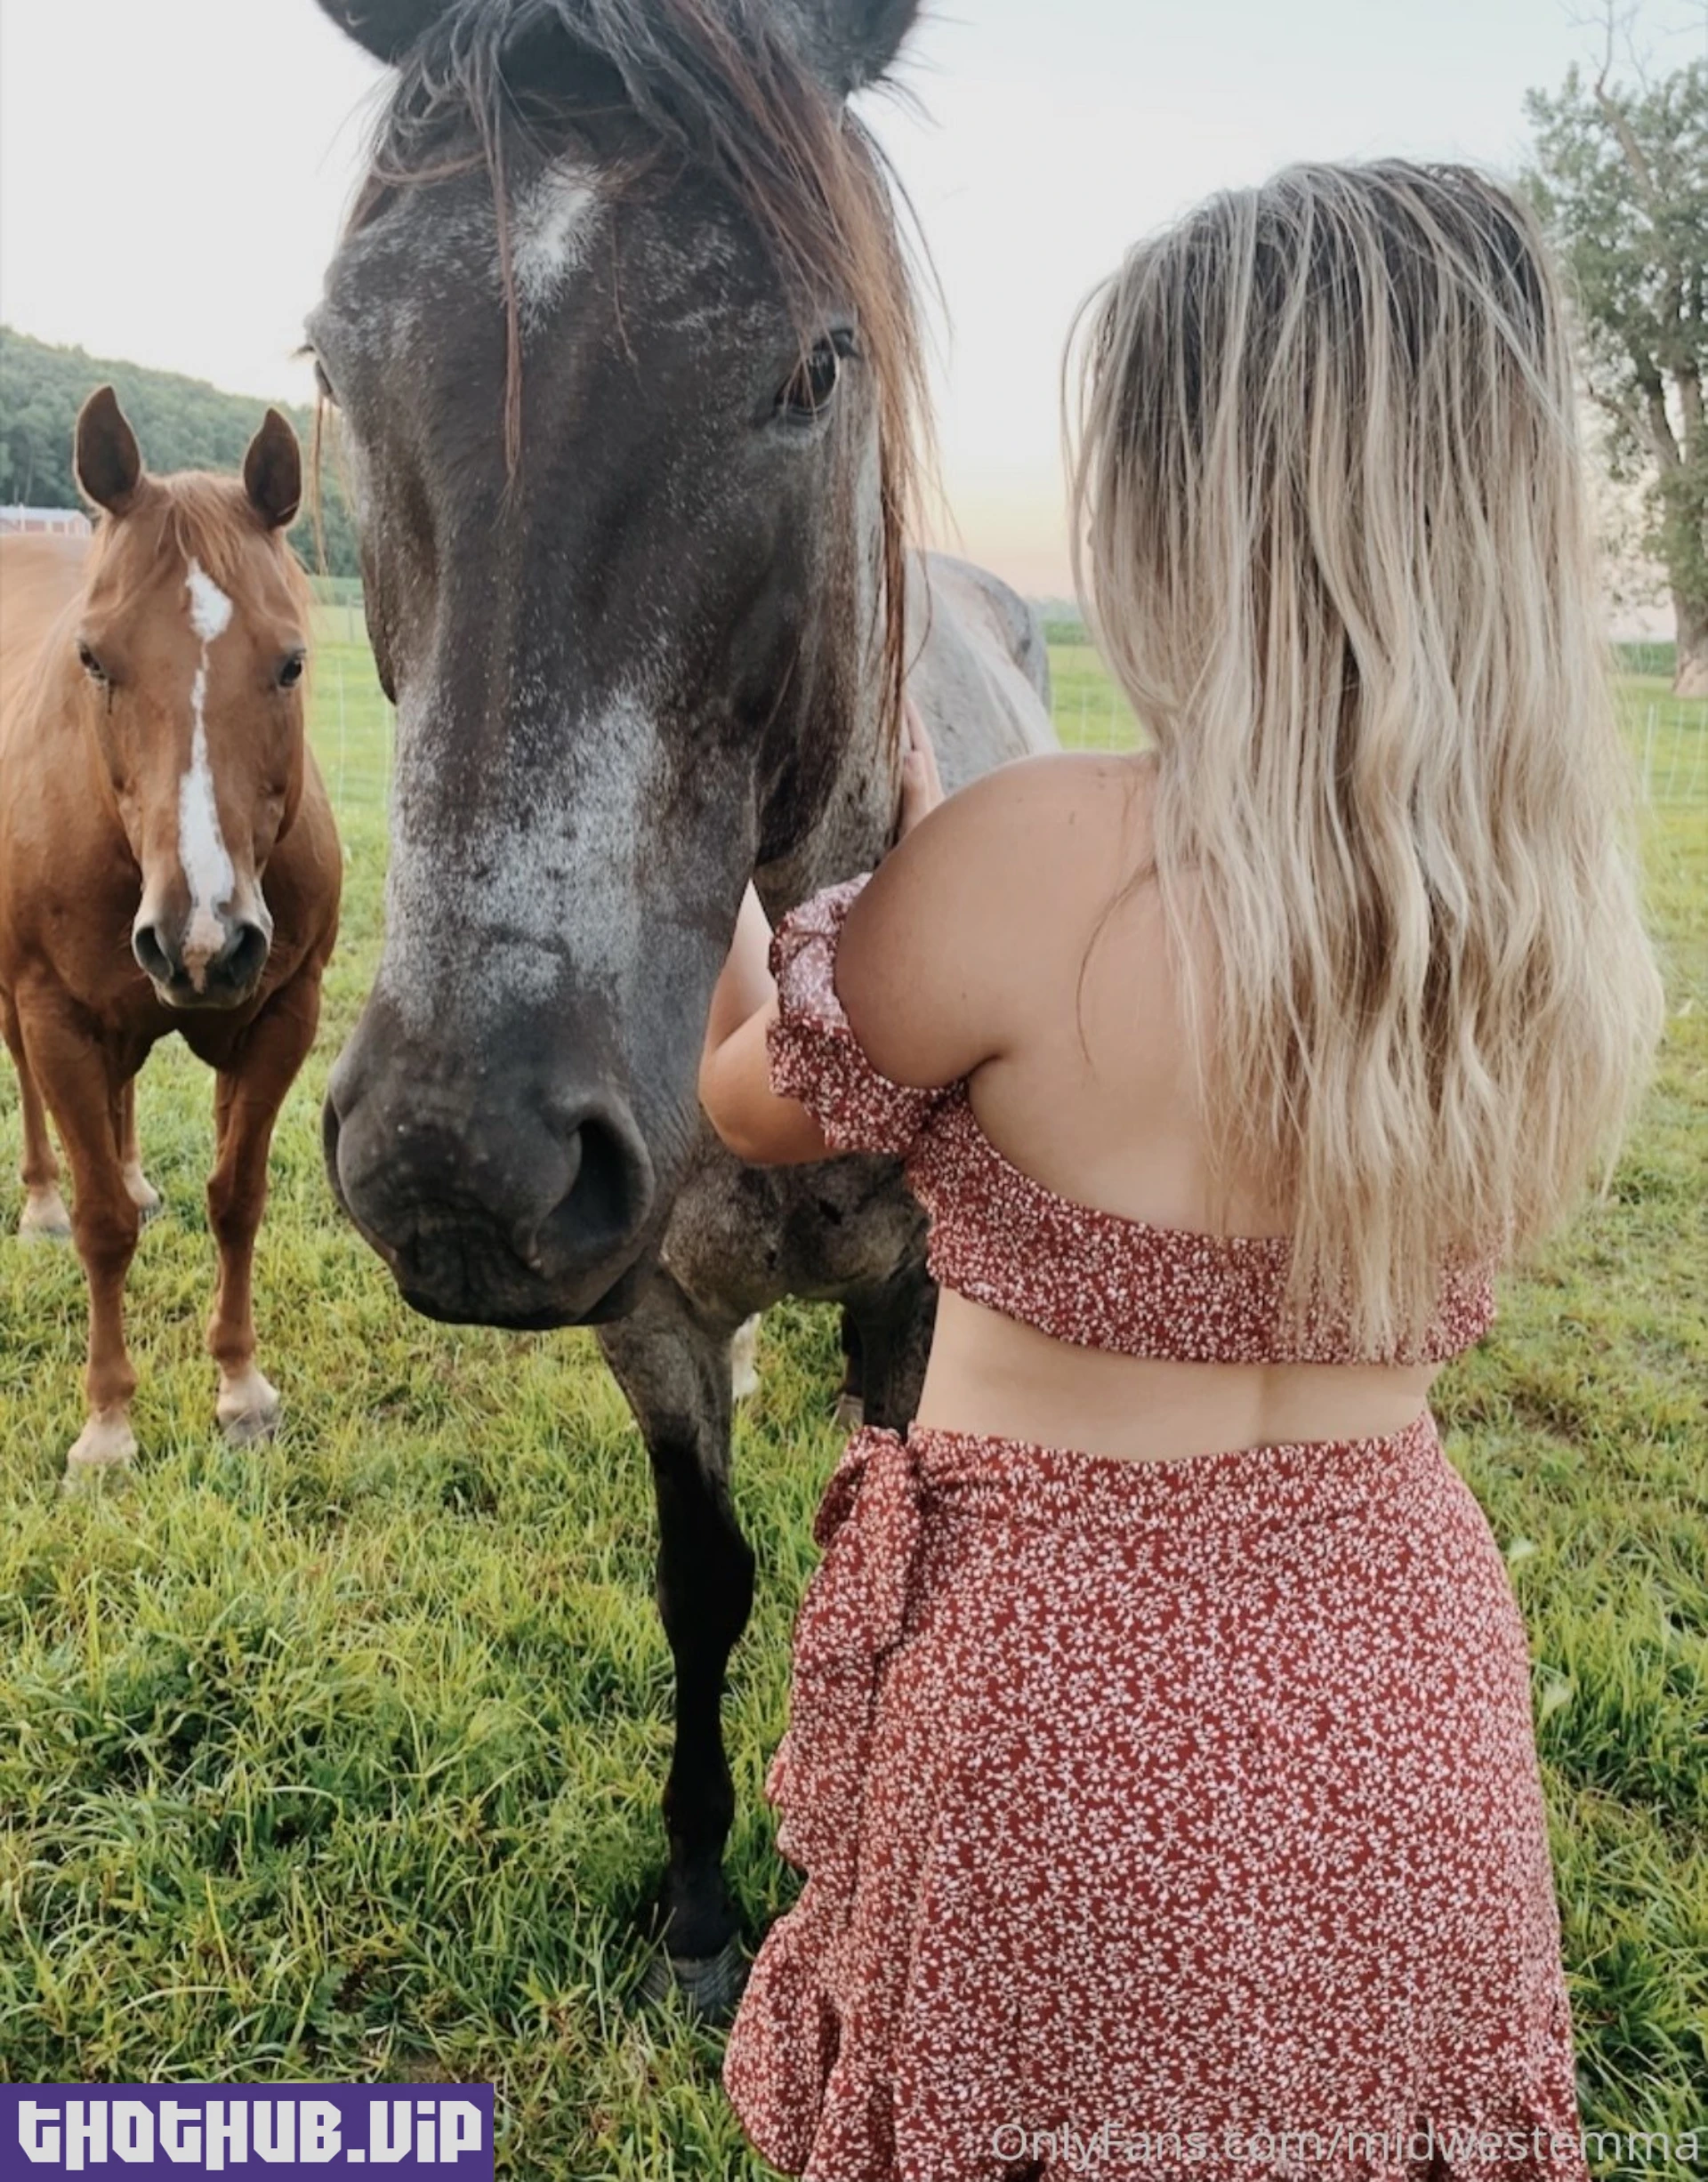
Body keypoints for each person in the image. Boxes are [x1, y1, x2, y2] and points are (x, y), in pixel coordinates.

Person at [697, 160, 1664, 2182]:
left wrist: (745, 882)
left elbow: (746, 1098)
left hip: (1066, 1717)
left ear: (1182, 516)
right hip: (1408, 1688)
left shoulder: (1034, 857)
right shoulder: (1523, 927)